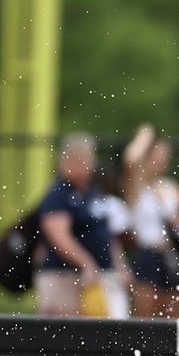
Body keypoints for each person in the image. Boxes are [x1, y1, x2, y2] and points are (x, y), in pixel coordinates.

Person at [34, 133, 131, 318]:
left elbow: (107, 235)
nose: (82, 164)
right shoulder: (58, 196)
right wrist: (86, 263)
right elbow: (59, 236)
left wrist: (120, 266)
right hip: (63, 275)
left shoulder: (94, 194)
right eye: (76, 159)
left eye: (85, 158)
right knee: (63, 335)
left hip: (98, 278)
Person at [123, 125, 179, 318]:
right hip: (148, 254)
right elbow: (131, 159)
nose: (161, 160)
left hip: (170, 256)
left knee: (170, 319)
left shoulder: (170, 187)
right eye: (157, 155)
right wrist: (146, 134)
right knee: (144, 318)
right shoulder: (138, 187)